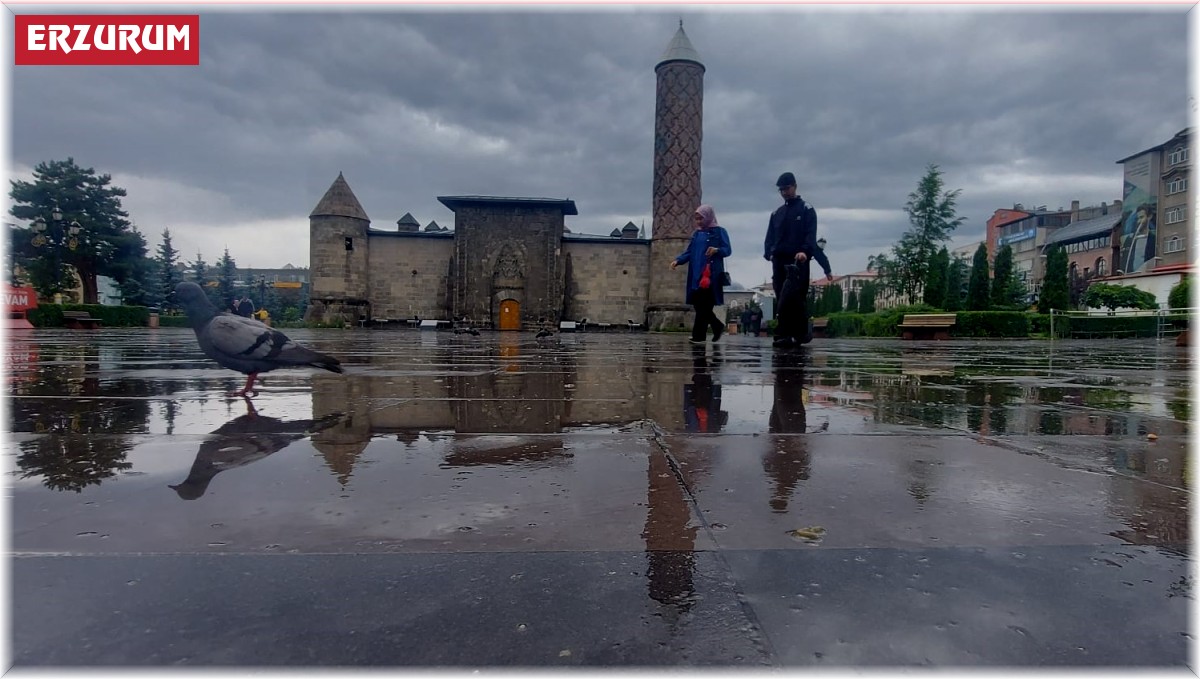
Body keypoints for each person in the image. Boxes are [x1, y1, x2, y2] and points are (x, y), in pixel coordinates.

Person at [764, 172, 825, 347]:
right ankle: (791, 333)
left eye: (787, 188)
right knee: (780, 294)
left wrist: (805, 251)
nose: (784, 192)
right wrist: (769, 252)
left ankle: (792, 332)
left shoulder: (806, 209)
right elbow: (770, 235)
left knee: (794, 296)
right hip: (779, 260)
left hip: (798, 260)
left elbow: (810, 234)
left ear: (795, 186)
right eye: (781, 190)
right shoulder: (777, 213)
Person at [671, 204, 732, 344]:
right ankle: (716, 326)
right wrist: (678, 260)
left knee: (704, 305)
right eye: (697, 219)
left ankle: (699, 336)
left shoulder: (720, 231)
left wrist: (716, 250)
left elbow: (727, 250)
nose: (699, 222)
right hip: (696, 275)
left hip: (710, 275)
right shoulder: (697, 234)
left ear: (708, 217)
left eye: (701, 219)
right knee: (699, 305)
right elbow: (690, 251)